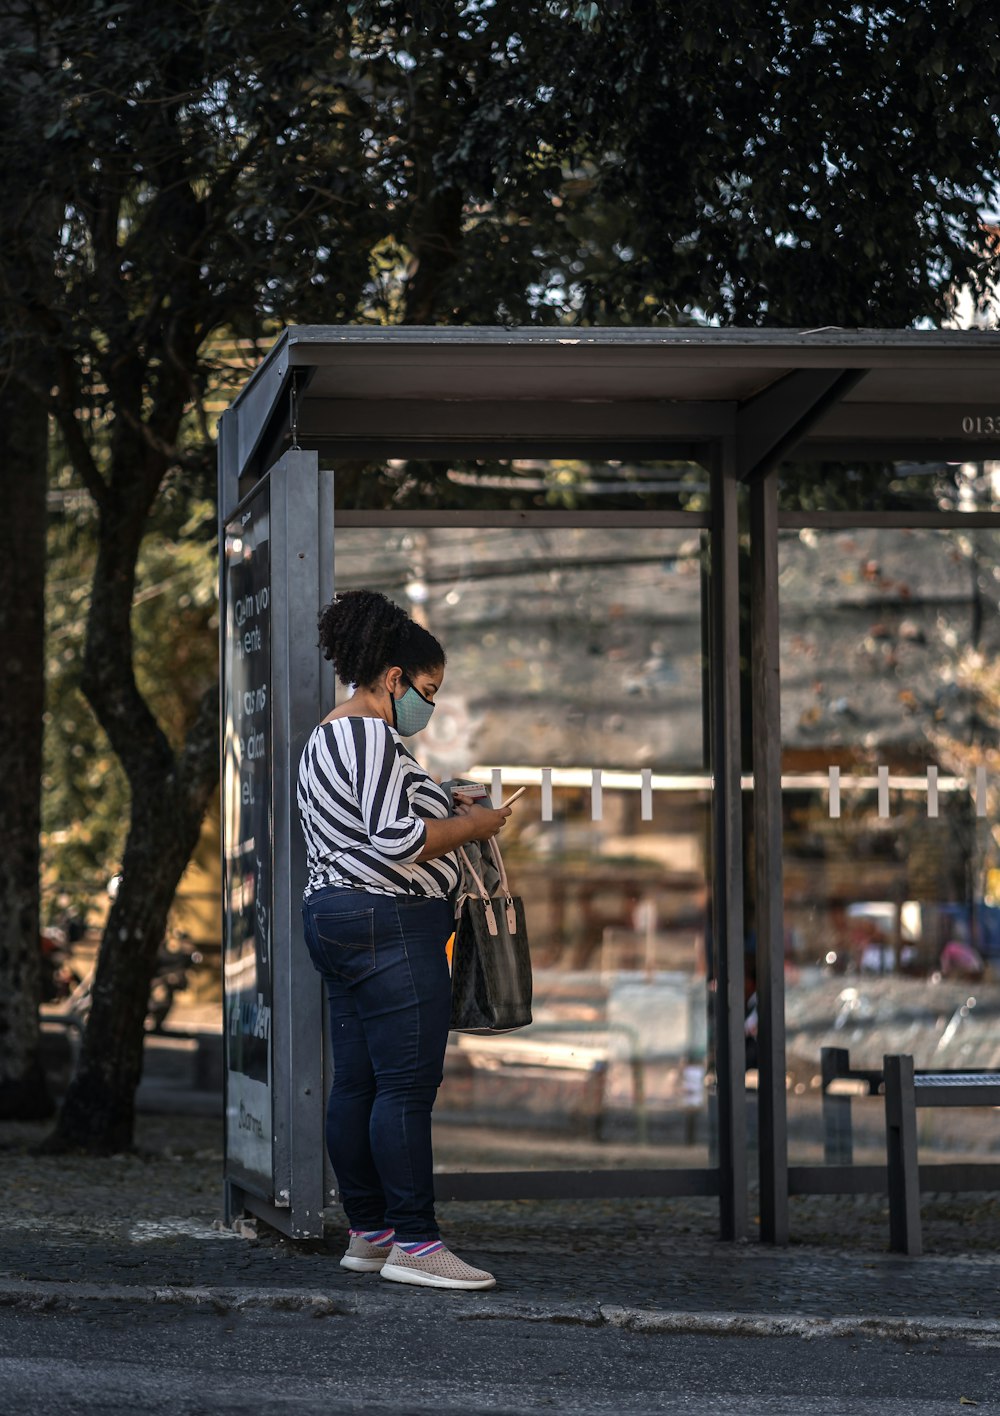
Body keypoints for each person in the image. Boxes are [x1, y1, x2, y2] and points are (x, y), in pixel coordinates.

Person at [297, 589, 511, 1291]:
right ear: (392, 677)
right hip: (386, 920)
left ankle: (371, 1233)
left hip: (340, 919)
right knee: (406, 1088)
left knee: (357, 1082)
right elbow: (397, 840)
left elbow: (373, 819)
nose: (429, 706)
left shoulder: (328, 737)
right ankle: (417, 1244)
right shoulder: (366, 733)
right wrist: (476, 828)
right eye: (426, 690)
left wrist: (442, 796)